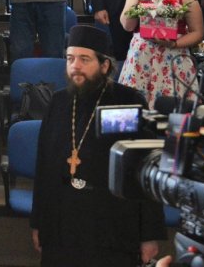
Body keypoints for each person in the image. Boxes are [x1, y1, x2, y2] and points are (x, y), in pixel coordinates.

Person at [30, 25, 165, 267]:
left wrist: (149, 234)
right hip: (62, 223)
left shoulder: (128, 101)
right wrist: (39, 222)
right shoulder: (59, 102)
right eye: (70, 59)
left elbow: (146, 170)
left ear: (105, 66)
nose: (75, 66)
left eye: (84, 59)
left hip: (111, 224)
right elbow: (44, 167)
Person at [117, 0, 204, 109]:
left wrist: (175, 43)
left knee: (173, 112)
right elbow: (127, 25)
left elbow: (198, 33)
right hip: (141, 59)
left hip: (173, 59)